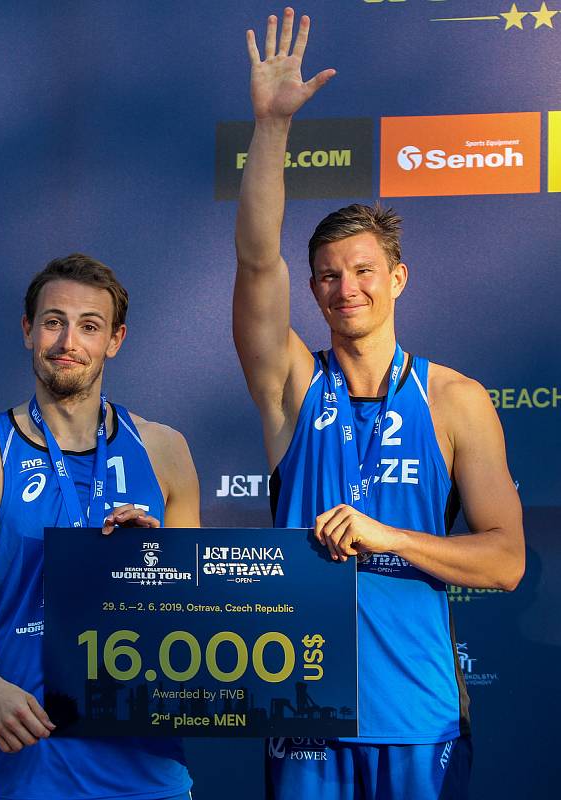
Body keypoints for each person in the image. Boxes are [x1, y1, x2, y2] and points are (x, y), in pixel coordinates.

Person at [234, 9, 524, 799]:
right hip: (305, 716)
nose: (343, 288)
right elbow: (259, 263)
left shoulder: (454, 400)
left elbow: (504, 561)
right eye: (326, 274)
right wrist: (269, 128)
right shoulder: (293, 384)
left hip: (418, 718)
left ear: (397, 279)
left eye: (362, 271)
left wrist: (383, 536)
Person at [0, 253, 198, 800]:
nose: (69, 340)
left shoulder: (164, 450)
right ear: (28, 331)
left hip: (151, 771)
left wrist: (157, 559)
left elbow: (198, 612)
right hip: (31, 766)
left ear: (115, 340)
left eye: (89, 326)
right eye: (53, 321)